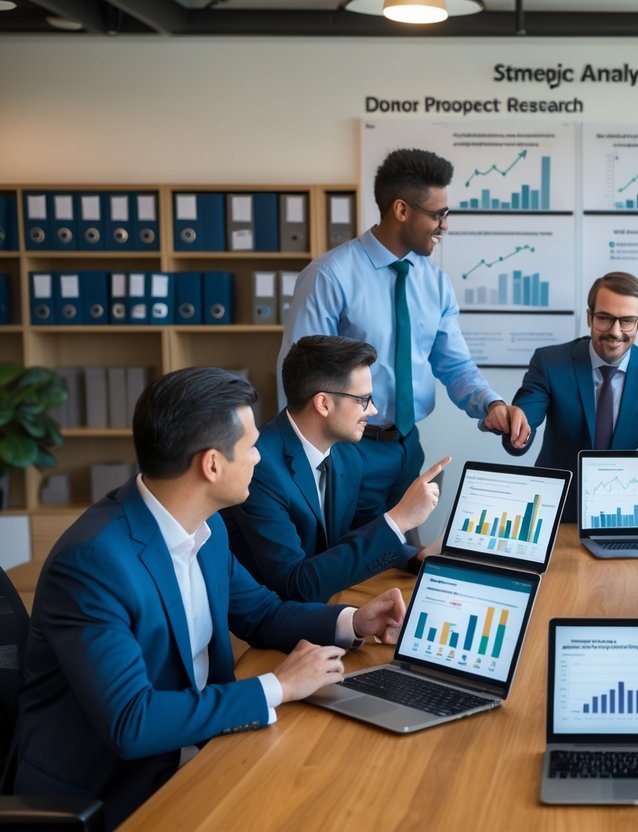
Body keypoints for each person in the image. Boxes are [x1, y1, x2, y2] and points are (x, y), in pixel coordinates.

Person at [9, 368, 407, 829]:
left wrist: (354, 621)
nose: (260, 458)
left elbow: (261, 612)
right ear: (211, 464)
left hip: (203, 748)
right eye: (251, 446)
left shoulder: (206, 524)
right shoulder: (93, 563)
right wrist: (278, 687)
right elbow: (132, 722)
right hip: (116, 792)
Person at [279, 147, 529, 526]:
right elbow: (298, 375)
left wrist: (491, 404)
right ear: (401, 210)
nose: (445, 225)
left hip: (407, 447)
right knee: (349, 563)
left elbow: (454, 362)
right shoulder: (330, 276)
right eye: (438, 214)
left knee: (399, 556)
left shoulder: (434, 282)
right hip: (346, 449)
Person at [224, 335, 450, 602]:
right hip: (262, 626)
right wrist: (400, 518)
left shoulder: (347, 453)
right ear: (323, 404)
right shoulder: (259, 469)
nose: (374, 411)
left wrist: (417, 558)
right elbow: (295, 584)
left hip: (324, 604)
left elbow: (362, 532)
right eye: (363, 400)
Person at [504, 272, 638, 523]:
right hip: (554, 511)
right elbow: (525, 419)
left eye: (627, 321)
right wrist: (518, 428)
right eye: (604, 318)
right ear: (589, 317)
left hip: (620, 514)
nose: (615, 332)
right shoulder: (550, 363)